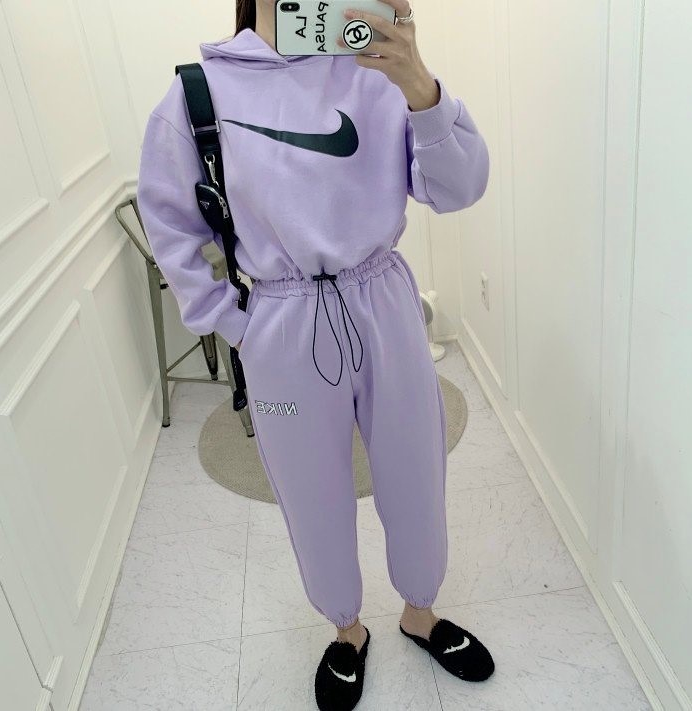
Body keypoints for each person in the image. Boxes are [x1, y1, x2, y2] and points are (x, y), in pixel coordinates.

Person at [137, 1, 493, 708]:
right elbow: (171, 224)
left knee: (415, 470)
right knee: (312, 493)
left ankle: (420, 611)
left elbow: (460, 188)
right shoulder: (198, 93)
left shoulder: (375, 65)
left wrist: (419, 84)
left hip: (383, 300)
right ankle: (345, 629)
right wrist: (233, 322)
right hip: (281, 317)